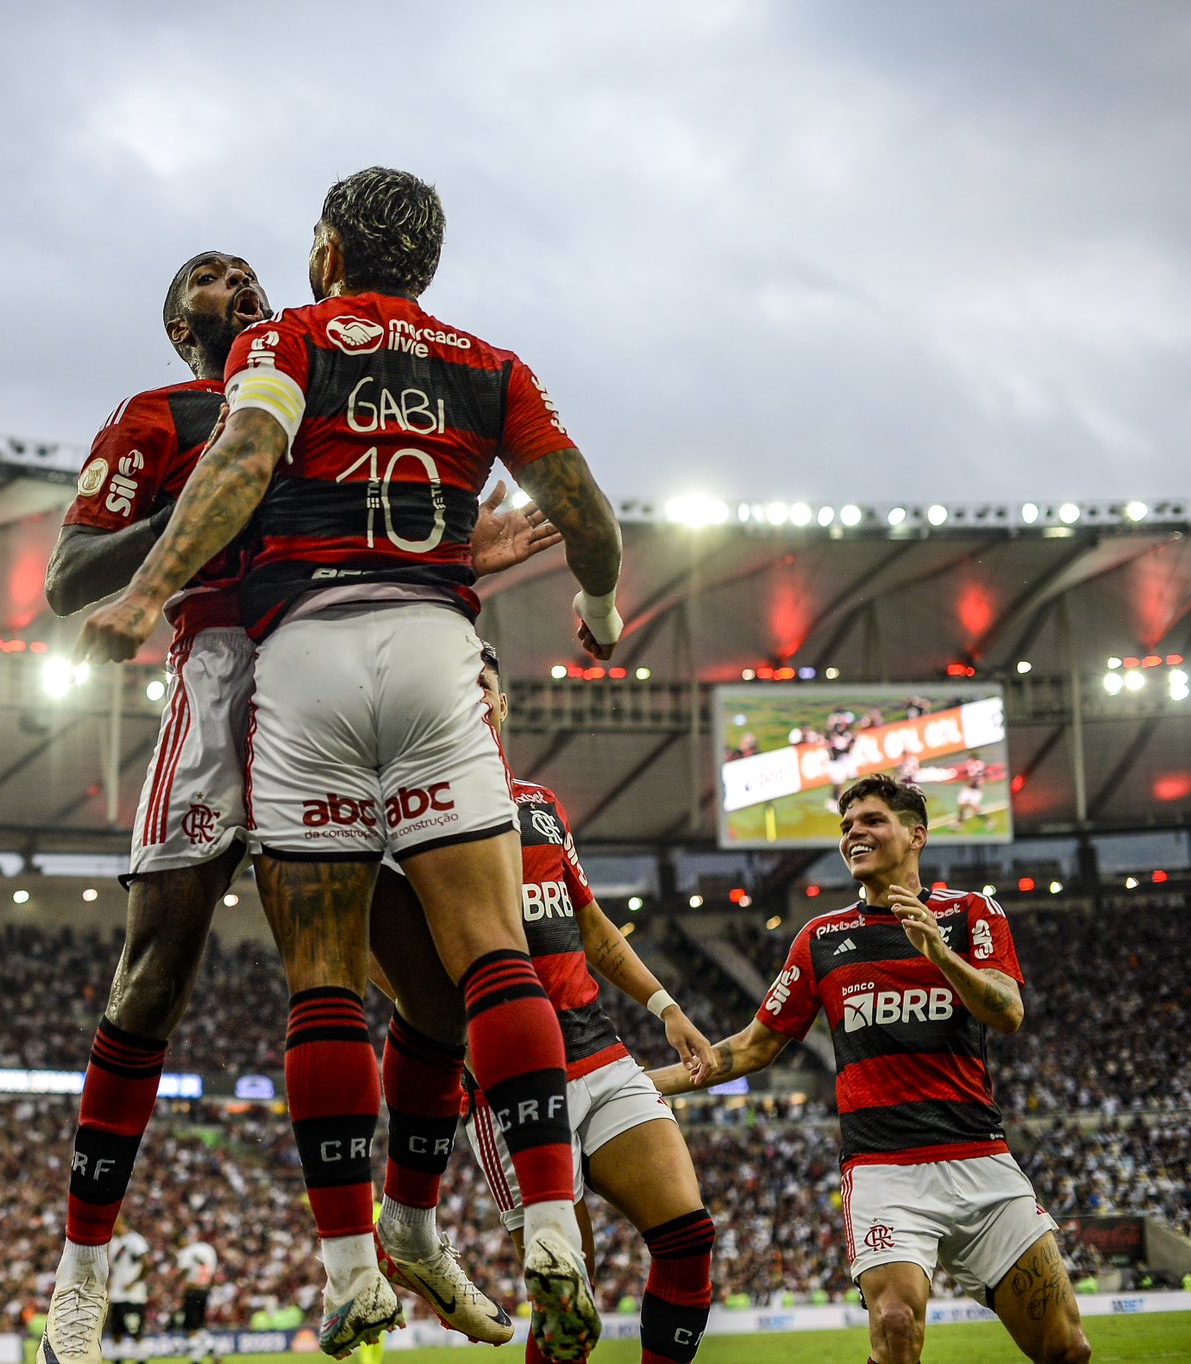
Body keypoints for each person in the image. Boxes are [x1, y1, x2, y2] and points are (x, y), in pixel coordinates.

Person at [79, 167, 627, 1361]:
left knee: (323, 977)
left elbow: (240, 465)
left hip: (304, 659)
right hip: (438, 649)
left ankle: (351, 1271)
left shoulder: (287, 339)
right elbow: (586, 508)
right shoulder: (489, 362)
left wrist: (148, 593)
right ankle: (552, 1239)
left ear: (325, 249)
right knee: (493, 956)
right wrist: (596, 598)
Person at [649, 774, 1091, 1364]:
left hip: (980, 1158)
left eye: (872, 821)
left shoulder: (969, 914)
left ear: (916, 835)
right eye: (846, 826)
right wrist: (628, 1084)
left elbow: (1007, 1011)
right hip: (884, 1170)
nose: (854, 832)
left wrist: (937, 950)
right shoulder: (822, 939)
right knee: (896, 1322)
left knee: (1066, 1350)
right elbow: (751, 1050)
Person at [372, 645, 720, 1364]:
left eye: (485, 683)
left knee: (688, 1237)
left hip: (600, 1051)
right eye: (456, 682)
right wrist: (450, 1027)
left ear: (502, 703)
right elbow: (377, 951)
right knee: (569, 1294)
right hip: (509, 1079)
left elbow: (589, 925)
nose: (473, 693)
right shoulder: (408, 809)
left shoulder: (540, 805)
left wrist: (665, 1007)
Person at [105, 1215, 149, 1342]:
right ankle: (119, 1358)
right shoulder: (113, 1243)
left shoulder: (134, 1240)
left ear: (119, 1223)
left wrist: (133, 1282)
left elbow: (147, 1263)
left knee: (135, 1330)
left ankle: (142, 1357)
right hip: (117, 1294)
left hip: (133, 1294)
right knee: (116, 1331)